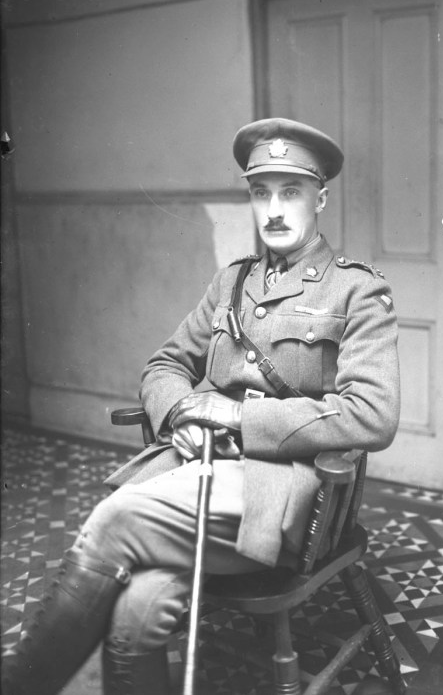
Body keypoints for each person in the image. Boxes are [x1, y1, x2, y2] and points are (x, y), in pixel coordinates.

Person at [2, 118, 400, 695]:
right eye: (261, 193)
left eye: (290, 192)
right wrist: (186, 413)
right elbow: (163, 367)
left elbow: (373, 413)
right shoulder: (231, 283)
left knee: (115, 519)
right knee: (138, 608)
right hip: (200, 472)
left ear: (321, 198)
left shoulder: (356, 291)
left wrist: (236, 417)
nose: (274, 210)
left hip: (287, 493)